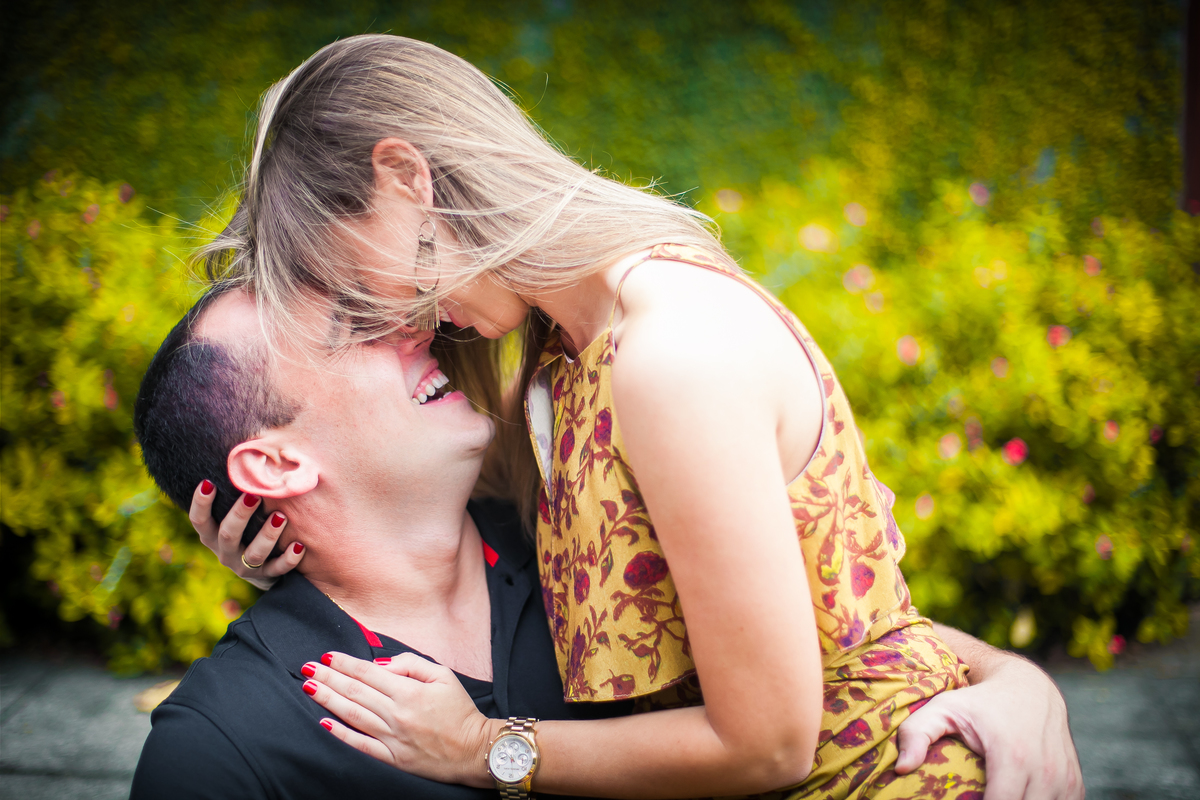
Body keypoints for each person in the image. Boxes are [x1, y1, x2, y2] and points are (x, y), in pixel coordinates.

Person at [191, 34, 1082, 799]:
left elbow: (770, 740)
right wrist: (298, 553)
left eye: (358, 282)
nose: (397, 323)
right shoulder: (558, 353)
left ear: (404, 177)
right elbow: (823, 605)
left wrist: (485, 751)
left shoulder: (668, 357)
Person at [130, 285, 630, 799]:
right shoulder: (219, 744)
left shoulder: (589, 533)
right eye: (350, 331)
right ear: (277, 466)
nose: (414, 327)